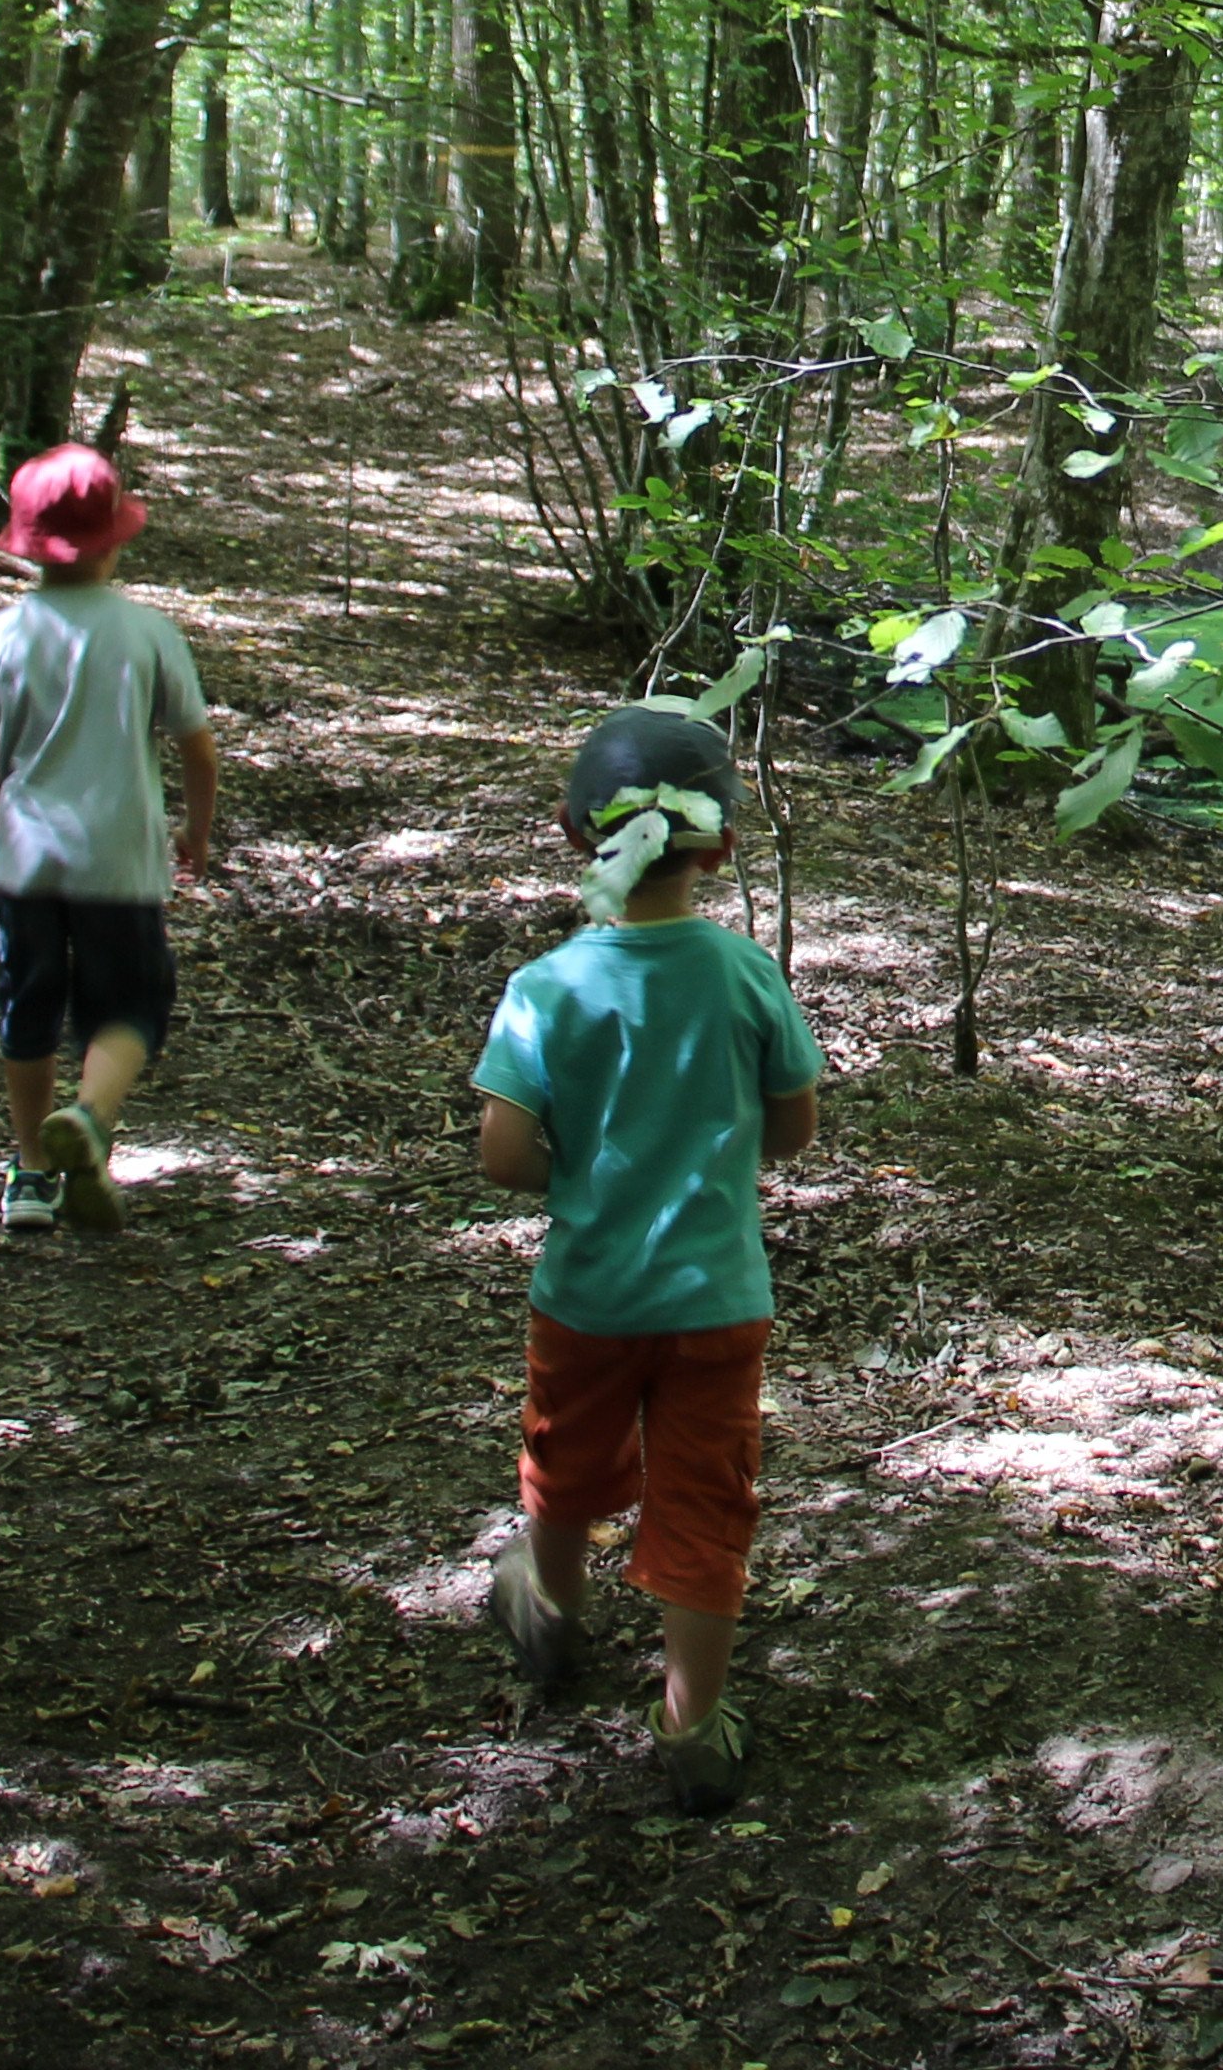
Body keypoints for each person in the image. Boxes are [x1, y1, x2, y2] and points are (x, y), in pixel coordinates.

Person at [472, 705, 828, 1817]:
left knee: (565, 1457)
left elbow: (504, 1156)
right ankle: (692, 1725)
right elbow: (793, 1128)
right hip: (717, 1297)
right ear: (719, 848)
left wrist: (587, 1178)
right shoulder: (743, 972)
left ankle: (549, 1611)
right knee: (706, 1497)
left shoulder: (547, 987)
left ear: (575, 832)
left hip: (587, 1294)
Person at [0, 442, 217, 1234]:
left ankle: (31, 1172)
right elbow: (198, 747)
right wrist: (196, 833)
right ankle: (92, 1117)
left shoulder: (0, 635)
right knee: (132, 1006)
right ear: (115, 540)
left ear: (27, 544)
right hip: (121, 859)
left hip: (28, 860)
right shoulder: (148, 633)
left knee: (27, 1008)